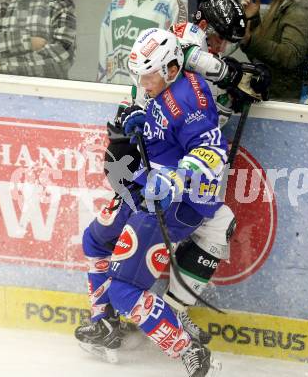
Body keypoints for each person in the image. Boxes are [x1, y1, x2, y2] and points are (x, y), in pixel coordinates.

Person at [74, 0, 271, 361]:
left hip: (178, 184)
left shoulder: (188, 85)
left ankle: (172, 315)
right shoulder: (182, 43)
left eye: (226, 42)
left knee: (216, 226)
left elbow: (205, 130)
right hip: (155, 178)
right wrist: (234, 76)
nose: (220, 46)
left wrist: (236, 91)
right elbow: (191, 54)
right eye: (218, 37)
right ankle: (109, 320)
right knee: (99, 241)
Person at [78, 27, 225, 377]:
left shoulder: (190, 98)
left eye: (148, 75)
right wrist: (136, 127)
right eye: (139, 75)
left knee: (126, 291)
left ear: (171, 69)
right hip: (146, 186)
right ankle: (105, 325)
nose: (142, 83)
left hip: (176, 201)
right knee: (95, 240)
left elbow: (212, 152)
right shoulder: (160, 84)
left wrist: (176, 177)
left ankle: (190, 351)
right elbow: (156, 128)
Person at [97, 0, 187, 84]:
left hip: (149, 94)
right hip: (113, 92)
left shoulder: (172, 4)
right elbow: (104, 53)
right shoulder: (116, 4)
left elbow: (176, 57)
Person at [0, 0, 76, 78]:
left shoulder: (59, 1)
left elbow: (62, 56)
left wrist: (1, 66)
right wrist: (27, 42)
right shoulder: (3, 7)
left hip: (44, 90)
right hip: (0, 88)